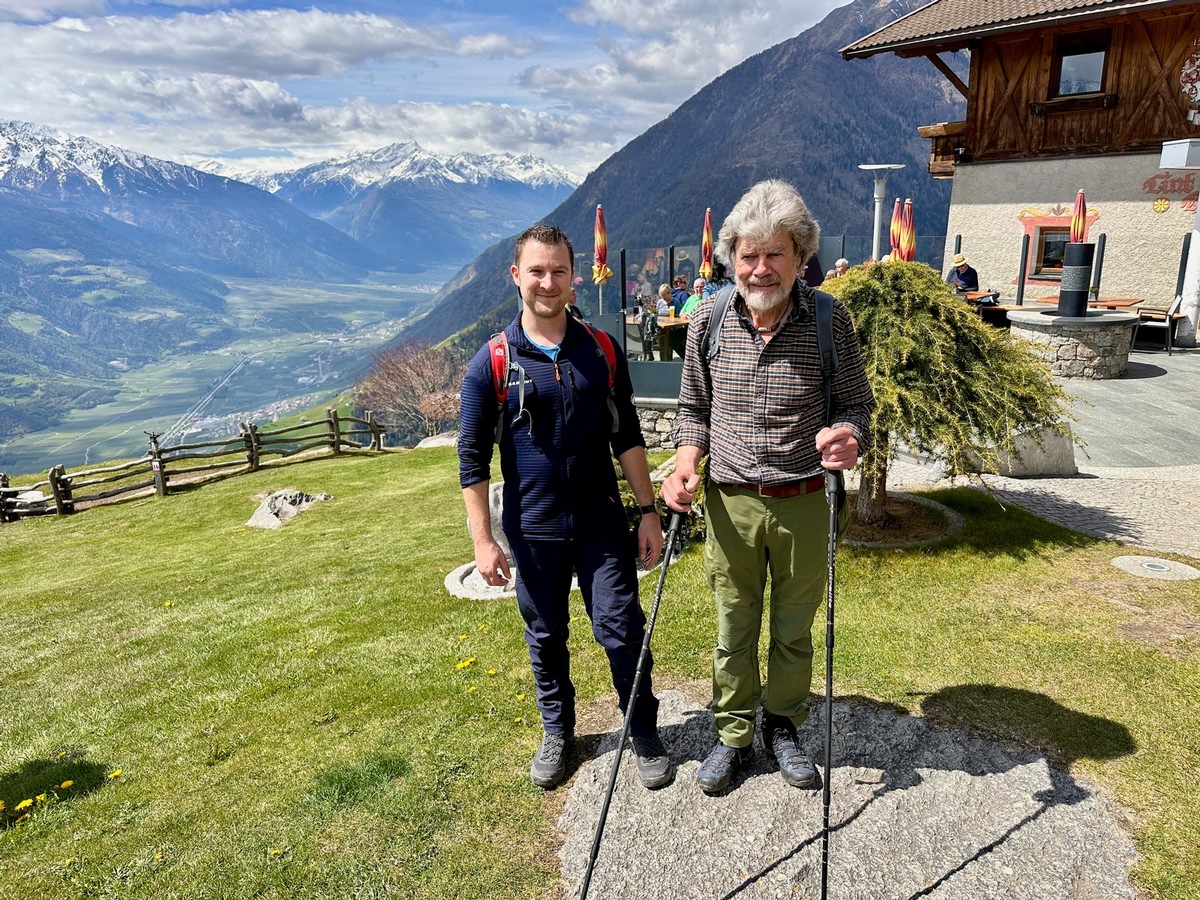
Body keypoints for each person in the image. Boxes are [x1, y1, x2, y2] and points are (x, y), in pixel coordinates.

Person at [661, 180, 875, 794]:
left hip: (805, 500)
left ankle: (782, 725)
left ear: (800, 257)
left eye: (774, 254)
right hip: (729, 502)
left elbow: (859, 406)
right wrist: (685, 463)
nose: (759, 269)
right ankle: (731, 735)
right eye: (748, 255)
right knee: (733, 625)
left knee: (792, 626)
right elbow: (693, 410)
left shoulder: (832, 321)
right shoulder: (706, 322)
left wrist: (849, 438)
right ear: (731, 259)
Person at [459, 224, 674, 791]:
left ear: (573, 277)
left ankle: (643, 728)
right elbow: (471, 461)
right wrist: (483, 541)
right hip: (532, 533)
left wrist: (647, 511)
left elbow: (626, 435)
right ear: (517, 276)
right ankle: (559, 734)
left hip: (601, 522)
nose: (548, 282)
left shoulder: (600, 350)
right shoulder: (492, 363)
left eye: (558, 271)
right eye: (537, 271)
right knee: (546, 635)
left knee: (622, 628)